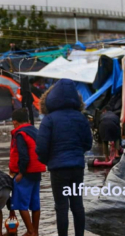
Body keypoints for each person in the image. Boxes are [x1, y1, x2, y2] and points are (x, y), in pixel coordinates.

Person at [36, 78, 92, 236]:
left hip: (58, 169)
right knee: (77, 204)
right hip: (77, 167)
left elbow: (41, 147)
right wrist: (77, 154)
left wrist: (48, 161)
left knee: (61, 207)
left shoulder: (49, 119)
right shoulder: (81, 118)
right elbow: (88, 143)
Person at [9, 108, 46, 236]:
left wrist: (21, 173)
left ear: (15, 121)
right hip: (37, 171)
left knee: (21, 205)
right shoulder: (35, 131)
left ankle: (30, 232)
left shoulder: (20, 134)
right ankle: (35, 231)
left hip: (26, 173)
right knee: (35, 203)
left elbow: (23, 155)